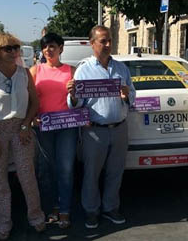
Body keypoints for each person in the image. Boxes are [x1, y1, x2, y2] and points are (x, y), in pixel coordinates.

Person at [0, 32, 45, 240]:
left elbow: (34, 102)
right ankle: (3, 224)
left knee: (27, 176)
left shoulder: (25, 73)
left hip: (21, 129)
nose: (13, 52)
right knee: (0, 181)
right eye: (8, 48)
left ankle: (36, 217)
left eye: (15, 48)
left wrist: (26, 125)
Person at [70, 25, 136, 229]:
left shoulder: (121, 68)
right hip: (94, 131)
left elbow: (133, 95)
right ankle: (91, 210)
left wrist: (127, 94)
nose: (108, 45)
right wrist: (73, 95)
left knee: (115, 172)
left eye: (109, 40)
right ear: (92, 44)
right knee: (91, 173)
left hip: (119, 128)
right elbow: (77, 103)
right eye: (103, 41)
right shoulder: (84, 69)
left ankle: (110, 207)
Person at [30, 32, 78, 229]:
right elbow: (30, 100)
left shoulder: (72, 71)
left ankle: (65, 209)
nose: (48, 50)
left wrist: (74, 94)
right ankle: (52, 208)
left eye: (53, 46)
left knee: (65, 169)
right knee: (46, 170)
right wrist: (32, 117)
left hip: (67, 127)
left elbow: (78, 102)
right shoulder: (35, 70)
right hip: (44, 126)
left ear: (61, 48)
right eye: (45, 46)